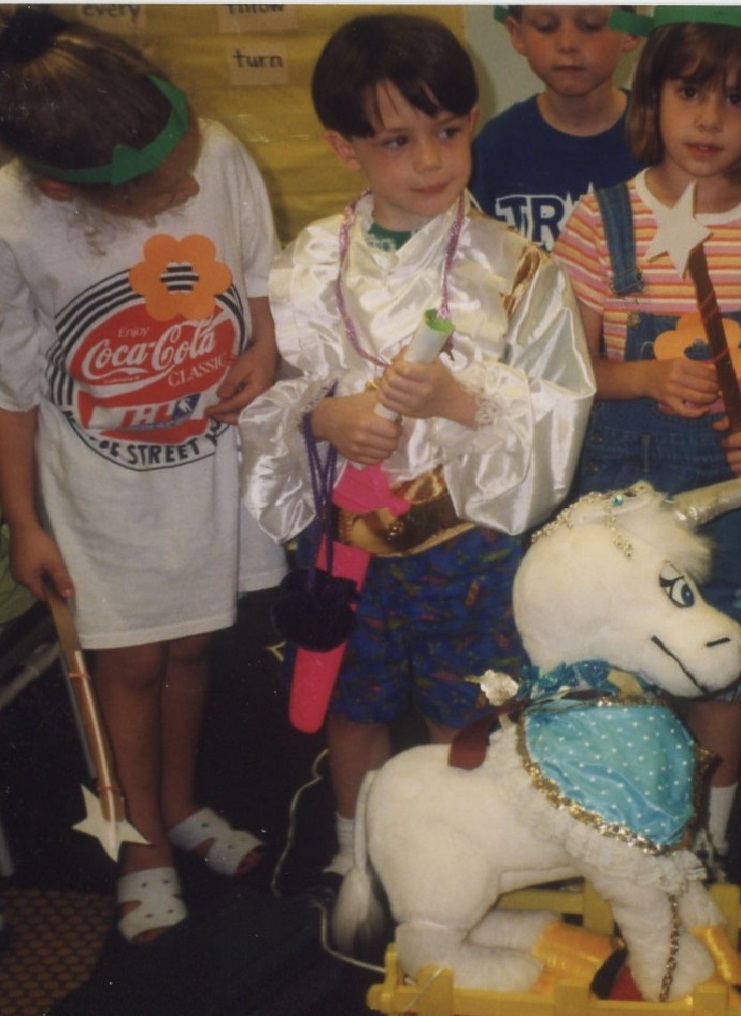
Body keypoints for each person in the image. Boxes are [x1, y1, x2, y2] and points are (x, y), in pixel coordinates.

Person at [238, 13, 595, 880]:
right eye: (397, 141)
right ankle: (356, 857)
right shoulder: (310, 263)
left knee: (464, 711)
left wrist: (459, 401)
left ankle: (461, 858)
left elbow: (561, 406)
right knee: (351, 705)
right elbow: (275, 391)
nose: (431, 160)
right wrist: (326, 419)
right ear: (345, 147)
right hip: (343, 539)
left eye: (447, 131)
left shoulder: (519, 271)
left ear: (472, 121)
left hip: (463, 541)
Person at [0, 8, 282, 944]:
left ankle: (180, 803)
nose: (183, 188)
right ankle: (140, 842)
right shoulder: (14, 217)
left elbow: (257, 277)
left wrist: (263, 348)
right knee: (128, 661)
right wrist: (24, 522)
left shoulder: (219, 151)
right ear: (60, 187)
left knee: (192, 645)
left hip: (205, 467)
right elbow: (10, 385)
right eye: (156, 190)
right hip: (102, 489)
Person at [554, 6, 741, 873]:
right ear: (653, 96)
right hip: (628, 496)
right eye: (690, 93)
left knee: (726, 665)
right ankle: (630, 826)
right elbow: (571, 370)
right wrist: (642, 378)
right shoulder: (598, 222)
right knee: (629, 669)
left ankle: (707, 833)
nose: (711, 118)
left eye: (738, 99)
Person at [470, 5, 641, 251]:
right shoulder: (495, 147)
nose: (567, 44)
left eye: (590, 25)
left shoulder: (665, 140)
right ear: (517, 34)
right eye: (546, 27)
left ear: (630, 32)